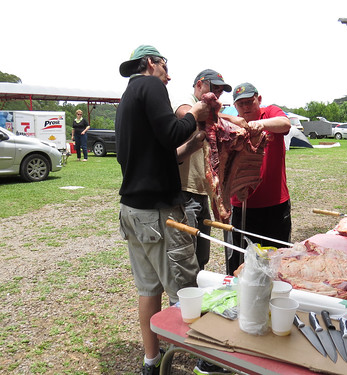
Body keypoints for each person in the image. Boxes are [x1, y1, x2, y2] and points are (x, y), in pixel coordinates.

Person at [115, 44, 210, 375]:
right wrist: (195, 113)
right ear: (151, 63)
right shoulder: (151, 85)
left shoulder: (128, 96)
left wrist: (192, 145)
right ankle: (206, 360)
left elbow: (158, 153)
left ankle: (151, 362)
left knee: (148, 289)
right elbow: (171, 133)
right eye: (165, 68)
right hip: (158, 214)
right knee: (186, 289)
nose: (169, 77)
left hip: (132, 212)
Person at [224, 82, 292, 276]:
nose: (246, 107)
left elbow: (285, 123)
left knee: (278, 259)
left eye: (249, 102)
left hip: (275, 204)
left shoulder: (270, 113)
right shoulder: (232, 125)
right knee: (242, 262)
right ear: (235, 106)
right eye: (241, 104)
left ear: (258, 99)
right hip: (243, 204)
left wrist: (259, 125)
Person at [173, 69, 232, 271]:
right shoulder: (185, 100)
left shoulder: (211, 112)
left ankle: (196, 295)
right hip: (184, 191)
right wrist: (232, 120)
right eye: (213, 88)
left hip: (202, 192)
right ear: (199, 84)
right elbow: (186, 114)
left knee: (202, 256)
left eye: (220, 91)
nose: (216, 95)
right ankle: (183, 299)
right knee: (186, 257)